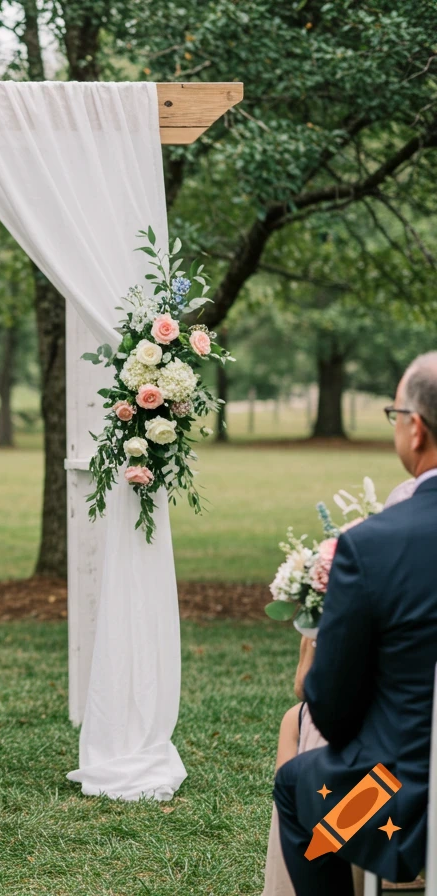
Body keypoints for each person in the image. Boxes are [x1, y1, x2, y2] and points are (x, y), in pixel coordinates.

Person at [274, 352, 437, 894]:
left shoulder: (373, 545)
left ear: (416, 430)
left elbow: (334, 714)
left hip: (403, 795)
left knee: (299, 784)